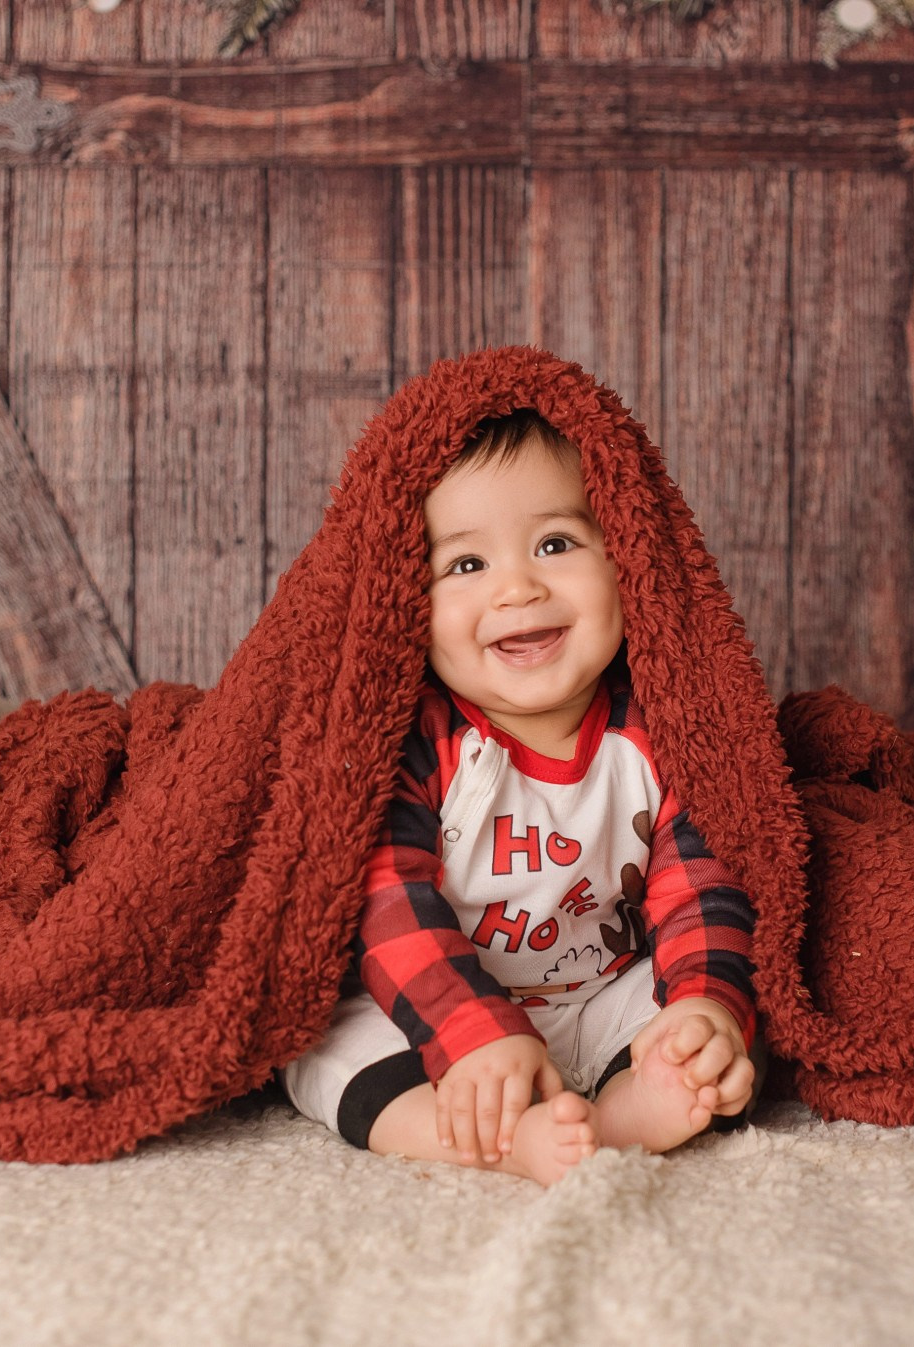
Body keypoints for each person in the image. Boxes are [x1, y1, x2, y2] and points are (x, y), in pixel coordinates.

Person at [281, 408, 762, 1186]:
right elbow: (384, 894)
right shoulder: (415, 740)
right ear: (406, 597)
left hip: (598, 988)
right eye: (466, 565)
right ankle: (495, 1141)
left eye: (555, 544)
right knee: (327, 1047)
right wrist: (468, 1031)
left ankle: (623, 1110)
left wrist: (703, 1007)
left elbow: (702, 885)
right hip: (428, 1006)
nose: (517, 586)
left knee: (720, 1033)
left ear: (628, 559)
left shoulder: (666, 727)